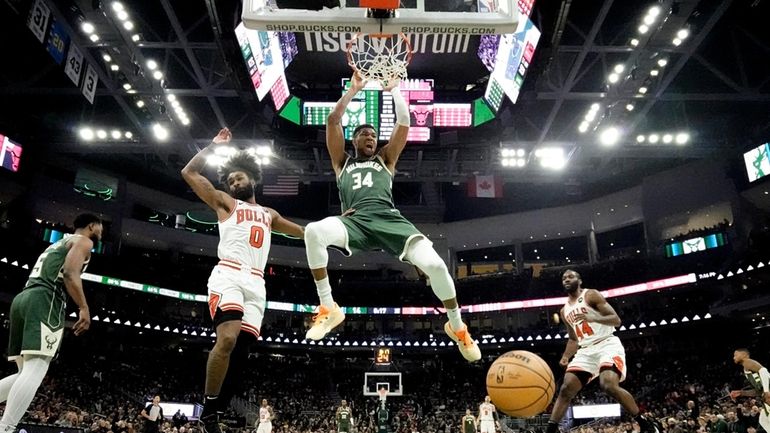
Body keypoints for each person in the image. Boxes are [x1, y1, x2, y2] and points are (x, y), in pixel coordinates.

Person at [303, 72, 480, 362]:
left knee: (436, 265)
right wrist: (353, 90)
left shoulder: (386, 159)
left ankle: (457, 327)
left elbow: (404, 123)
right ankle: (328, 307)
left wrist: (395, 90)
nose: (370, 137)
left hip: (389, 219)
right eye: (364, 134)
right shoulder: (341, 163)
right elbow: (333, 122)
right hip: (354, 221)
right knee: (313, 232)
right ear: (355, 140)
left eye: (373, 135)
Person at [181, 128, 304, 433]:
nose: (235, 183)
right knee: (226, 339)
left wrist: (338, 229)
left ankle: (216, 413)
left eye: (239, 178)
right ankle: (208, 409)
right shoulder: (224, 203)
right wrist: (213, 146)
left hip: (257, 284)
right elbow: (190, 172)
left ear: (252, 178)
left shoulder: (269, 213)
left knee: (241, 354)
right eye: (231, 180)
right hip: (229, 274)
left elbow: (303, 232)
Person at [0, 213, 101, 433]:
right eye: (100, 227)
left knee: (23, 373)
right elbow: (69, 273)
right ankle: (5, 429)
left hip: (24, 297)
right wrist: (84, 307)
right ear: (92, 226)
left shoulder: (58, 242)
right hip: (46, 298)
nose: (101, 232)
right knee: (36, 368)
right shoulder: (84, 240)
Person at [545, 270, 658, 433]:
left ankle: (643, 421)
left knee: (608, 385)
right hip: (585, 350)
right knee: (566, 388)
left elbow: (616, 320)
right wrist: (566, 356)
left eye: (570, 276)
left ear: (579, 280)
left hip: (607, 344)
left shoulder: (591, 295)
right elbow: (573, 339)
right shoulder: (564, 311)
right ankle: (551, 429)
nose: (566, 279)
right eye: (563, 278)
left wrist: (593, 317)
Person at [730, 348, 770, 433]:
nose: (734, 357)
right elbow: (758, 391)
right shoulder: (746, 368)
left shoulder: (747, 362)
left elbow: (764, 371)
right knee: (763, 420)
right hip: (765, 397)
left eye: (735, 355)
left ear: (744, 355)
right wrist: (741, 393)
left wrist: (766, 391)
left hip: (768, 395)